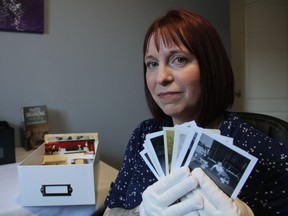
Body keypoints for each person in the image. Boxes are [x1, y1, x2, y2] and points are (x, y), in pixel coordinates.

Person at [103, 9, 288, 215]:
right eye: (152, 64)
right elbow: (111, 209)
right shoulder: (144, 135)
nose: (161, 77)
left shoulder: (263, 150)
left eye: (179, 59)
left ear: (211, 67)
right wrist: (140, 212)